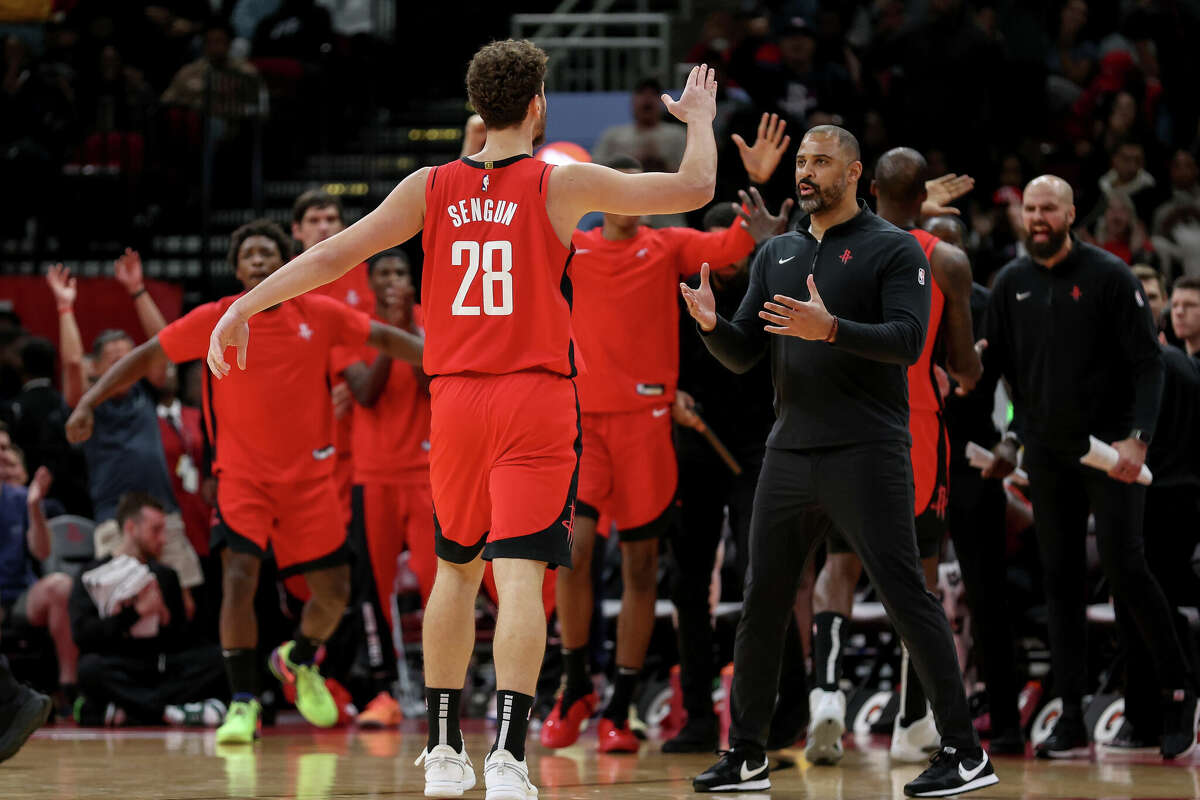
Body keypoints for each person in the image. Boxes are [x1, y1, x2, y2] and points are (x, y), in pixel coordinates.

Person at [205, 40, 719, 800]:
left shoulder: (428, 185)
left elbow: (333, 256)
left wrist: (245, 306)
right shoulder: (561, 181)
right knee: (518, 579)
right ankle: (507, 760)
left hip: (455, 403)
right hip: (533, 399)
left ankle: (444, 754)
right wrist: (699, 119)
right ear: (538, 105)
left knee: (454, 570)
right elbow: (695, 185)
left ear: (480, 109)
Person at [682, 125, 996, 796]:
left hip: (868, 449)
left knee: (907, 595)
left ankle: (966, 752)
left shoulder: (894, 249)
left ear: (854, 174)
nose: (807, 171)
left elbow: (909, 342)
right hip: (789, 449)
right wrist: (711, 326)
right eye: (802, 160)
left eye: (822, 161)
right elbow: (744, 353)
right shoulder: (778, 254)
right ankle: (749, 753)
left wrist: (831, 328)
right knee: (763, 599)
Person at [65, 219, 423, 744]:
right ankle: (242, 701)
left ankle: (295, 660)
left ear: (289, 266)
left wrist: (452, 359)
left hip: (310, 480)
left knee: (333, 594)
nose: (258, 262)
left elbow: (386, 338)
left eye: (268, 254)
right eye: (249, 255)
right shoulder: (214, 319)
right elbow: (147, 357)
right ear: (237, 269)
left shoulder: (319, 314)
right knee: (238, 579)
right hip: (243, 480)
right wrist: (88, 401)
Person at [542, 151, 785, 755]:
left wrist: (755, 190)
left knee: (643, 566)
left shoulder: (670, 244)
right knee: (573, 552)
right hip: (585, 425)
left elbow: (732, 244)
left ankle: (621, 705)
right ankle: (575, 685)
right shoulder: (572, 245)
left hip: (648, 426)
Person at [983, 175, 1198, 761]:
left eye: (1049, 207)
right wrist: (1006, 439)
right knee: (1060, 583)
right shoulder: (1011, 283)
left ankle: (1179, 690)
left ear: (1072, 212)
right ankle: (1072, 714)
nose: (1038, 217)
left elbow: (1149, 367)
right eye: (1030, 209)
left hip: (1108, 453)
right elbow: (998, 371)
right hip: (1047, 457)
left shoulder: (1109, 276)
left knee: (1128, 569)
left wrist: (1138, 440)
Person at [807, 147, 983, 766]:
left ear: (870, 186)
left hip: (845, 420)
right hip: (915, 426)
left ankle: (825, 693)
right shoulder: (948, 260)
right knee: (920, 580)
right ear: (925, 197)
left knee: (839, 567)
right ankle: (912, 723)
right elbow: (964, 370)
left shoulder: (831, 244)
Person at [667, 200, 807, 755]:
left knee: (762, 577)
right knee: (686, 584)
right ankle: (699, 715)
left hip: (757, 450)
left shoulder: (769, 286)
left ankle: (790, 708)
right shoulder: (676, 292)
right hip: (693, 445)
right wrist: (668, 389)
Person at [925, 214, 1025, 755]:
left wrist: (1013, 442)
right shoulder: (904, 290)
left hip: (972, 460)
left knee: (988, 597)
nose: (946, 254)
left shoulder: (991, 302)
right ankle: (918, 719)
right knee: (913, 596)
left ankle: (1007, 722)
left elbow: (1021, 381)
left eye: (953, 246)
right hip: (916, 455)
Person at [48, 264, 205, 602]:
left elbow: (165, 343)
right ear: (99, 369)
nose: (124, 368)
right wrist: (65, 307)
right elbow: (74, 363)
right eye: (115, 362)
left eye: (130, 360)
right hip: (114, 519)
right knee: (123, 601)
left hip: (164, 513)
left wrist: (138, 291)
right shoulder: (89, 407)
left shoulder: (145, 393)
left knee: (184, 601)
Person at [333, 249, 435, 728]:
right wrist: (390, 334)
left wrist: (407, 329)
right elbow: (366, 392)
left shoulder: (427, 320)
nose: (393, 281)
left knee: (439, 582)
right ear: (369, 283)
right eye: (385, 274)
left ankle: (441, 685)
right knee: (375, 588)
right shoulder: (352, 326)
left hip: (426, 470)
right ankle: (386, 689)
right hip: (372, 475)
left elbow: (431, 383)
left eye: (400, 273)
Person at [1110, 276, 1200, 750]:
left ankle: (1155, 713)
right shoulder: (1185, 366)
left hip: (1151, 497)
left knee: (1143, 608)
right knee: (1152, 604)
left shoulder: (1140, 372)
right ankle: (1157, 713)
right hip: (1181, 500)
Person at [70, 492, 227, 727]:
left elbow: (184, 641)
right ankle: (169, 712)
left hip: (160, 667)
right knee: (89, 669)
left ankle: (126, 712)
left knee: (220, 659)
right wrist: (134, 613)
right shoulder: (91, 573)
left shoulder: (165, 575)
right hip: (119, 665)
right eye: (156, 530)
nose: (163, 539)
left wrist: (164, 617)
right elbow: (84, 636)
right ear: (131, 528)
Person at [294, 189, 374, 526]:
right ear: (297, 230)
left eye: (331, 220)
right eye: (314, 221)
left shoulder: (366, 272)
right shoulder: (286, 282)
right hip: (312, 427)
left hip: (369, 416)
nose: (323, 227)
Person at [0, 427, 78, 712]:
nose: (4, 454)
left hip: (19, 595)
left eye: (7, 447)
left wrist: (34, 505)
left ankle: (68, 688)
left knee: (60, 586)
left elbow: (42, 552)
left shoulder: (20, 498)